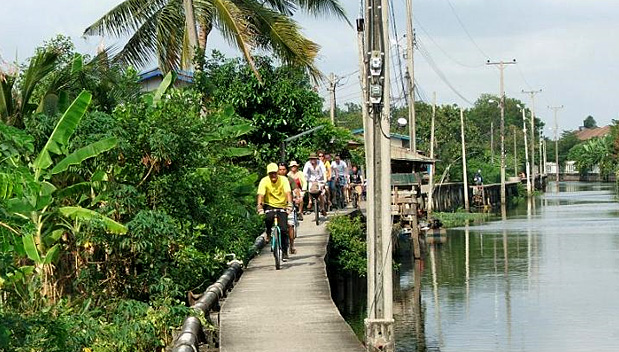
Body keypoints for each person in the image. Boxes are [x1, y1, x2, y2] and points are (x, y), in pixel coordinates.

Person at [257, 163, 293, 260]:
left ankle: (285, 251)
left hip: (282, 205)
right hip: (270, 205)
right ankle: (268, 231)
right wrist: (259, 207)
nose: (273, 175)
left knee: (284, 229)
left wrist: (290, 205)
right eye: (271, 173)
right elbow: (261, 195)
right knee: (268, 218)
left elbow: (288, 193)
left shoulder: (284, 180)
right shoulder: (264, 181)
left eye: (274, 173)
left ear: (277, 173)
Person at [278, 163, 298, 254]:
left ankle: (292, 245)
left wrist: (298, 197)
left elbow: (295, 190)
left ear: (286, 170)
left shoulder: (290, 180)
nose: (282, 171)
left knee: (290, 225)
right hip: (277, 205)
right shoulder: (274, 180)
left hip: (287, 206)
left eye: (283, 169)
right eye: (280, 169)